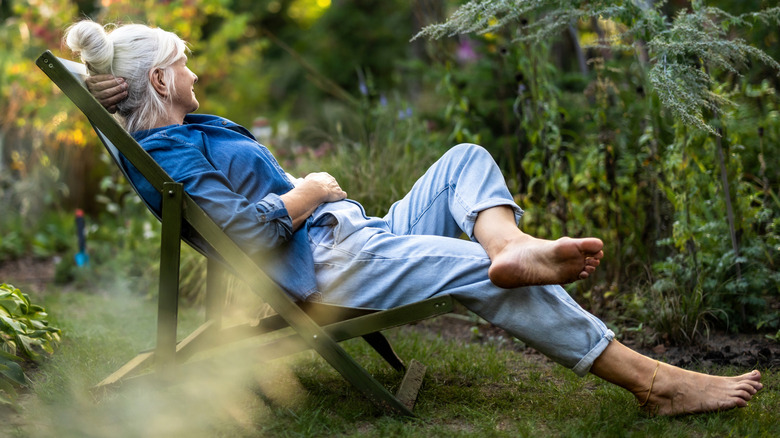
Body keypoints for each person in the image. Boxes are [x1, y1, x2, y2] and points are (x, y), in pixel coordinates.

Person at [66, 20, 763, 416]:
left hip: (353, 236)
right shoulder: (174, 154)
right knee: (471, 269)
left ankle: (512, 245)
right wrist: (307, 192)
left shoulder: (174, 132)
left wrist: (105, 75)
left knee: (463, 158)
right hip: (331, 264)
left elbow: (117, 113)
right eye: (184, 64)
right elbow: (247, 235)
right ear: (159, 80)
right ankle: (655, 382)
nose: (196, 71)